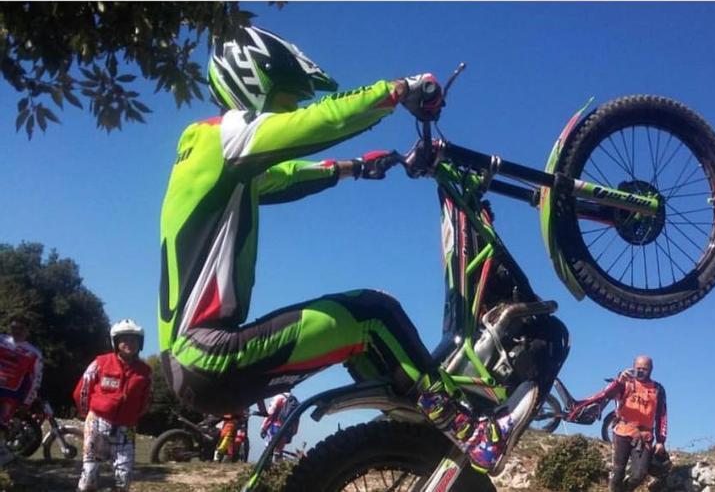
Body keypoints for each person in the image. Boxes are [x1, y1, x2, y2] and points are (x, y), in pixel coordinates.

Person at [157, 25, 556, 475]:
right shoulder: (220, 136)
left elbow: (287, 178)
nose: (291, 109)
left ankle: (411, 434)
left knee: (363, 339)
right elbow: (322, 122)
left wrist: (360, 168)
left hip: (192, 361)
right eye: (287, 98)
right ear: (252, 83)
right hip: (208, 352)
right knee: (373, 313)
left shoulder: (211, 164)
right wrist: (398, 90)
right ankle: (474, 433)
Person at [568, 355, 668, 492]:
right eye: (638, 368)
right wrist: (619, 381)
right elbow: (607, 394)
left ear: (651, 369)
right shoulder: (625, 383)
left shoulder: (658, 389)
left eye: (645, 369)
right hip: (622, 431)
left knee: (639, 474)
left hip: (644, 437)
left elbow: (662, 415)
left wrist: (661, 440)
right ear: (633, 368)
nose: (641, 371)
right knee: (618, 472)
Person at [73, 319, 152, 492]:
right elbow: (82, 390)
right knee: (89, 476)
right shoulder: (100, 363)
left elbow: (146, 400)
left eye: (134, 339)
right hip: (97, 423)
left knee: (124, 479)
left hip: (127, 428)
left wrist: (131, 417)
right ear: (116, 342)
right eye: (125, 339)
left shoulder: (145, 372)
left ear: (141, 343)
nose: (130, 343)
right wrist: (87, 413)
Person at [0, 317, 44, 465]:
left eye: (21, 328)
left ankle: (5, 456)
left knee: (2, 425)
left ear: (27, 331)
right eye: (14, 327)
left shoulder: (34, 353)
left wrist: (27, 401)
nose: (17, 331)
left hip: (11, 395)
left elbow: (36, 379)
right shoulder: (1, 340)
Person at [260, 391, 300, 462]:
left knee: (269, 449)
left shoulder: (278, 397)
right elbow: (297, 417)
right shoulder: (295, 400)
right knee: (278, 450)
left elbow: (270, 413)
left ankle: (266, 468)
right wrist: (294, 431)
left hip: (275, 427)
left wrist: (264, 427)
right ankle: (278, 467)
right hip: (287, 428)